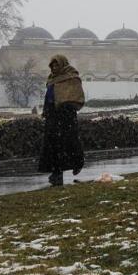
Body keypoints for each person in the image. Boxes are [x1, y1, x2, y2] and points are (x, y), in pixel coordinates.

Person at [38, 54, 85, 186]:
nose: (53, 67)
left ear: (63, 64)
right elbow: (49, 97)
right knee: (53, 146)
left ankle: (77, 162)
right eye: (52, 65)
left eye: (56, 65)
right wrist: (46, 111)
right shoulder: (51, 79)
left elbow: (76, 95)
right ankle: (57, 173)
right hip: (52, 116)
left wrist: (66, 106)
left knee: (70, 142)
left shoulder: (71, 77)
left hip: (66, 116)